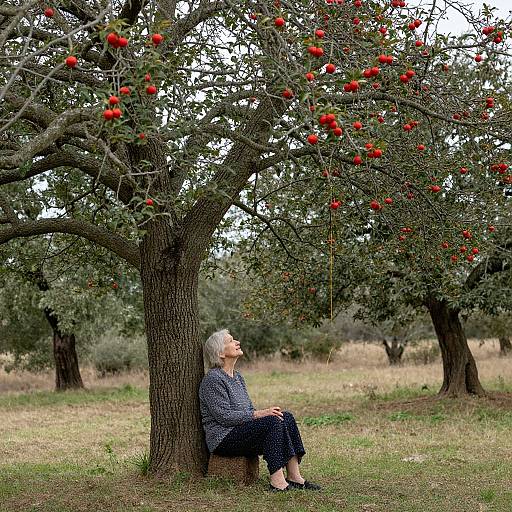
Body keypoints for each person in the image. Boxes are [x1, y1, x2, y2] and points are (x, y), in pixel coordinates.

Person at [199, 329, 321, 492]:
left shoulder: (238, 377)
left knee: (286, 417)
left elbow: (248, 409)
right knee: (271, 421)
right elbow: (224, 417)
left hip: (241, 431)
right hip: (223, 438)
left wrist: (263, 414)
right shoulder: (213, 379)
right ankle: (277, 483)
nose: (237, 342)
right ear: (220, 353)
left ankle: (294, 477)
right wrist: (260, 414)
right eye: (230, 341)